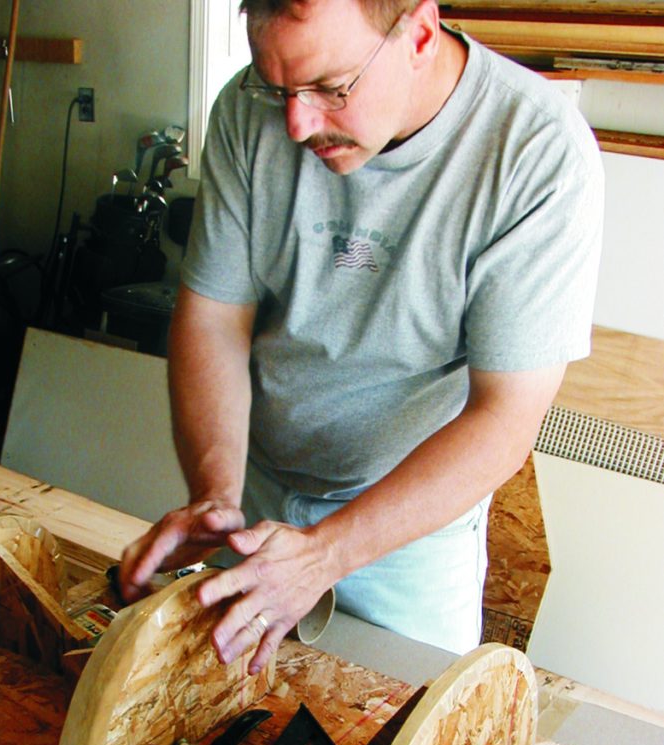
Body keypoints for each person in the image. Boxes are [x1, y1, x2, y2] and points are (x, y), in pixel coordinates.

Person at [120, 0, 603, 673]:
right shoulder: (245, 109)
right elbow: (212, 317)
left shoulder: (534, 151)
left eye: (329, 87)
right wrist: (214, 498)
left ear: (420, 33)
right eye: (279, 88)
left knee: (393, 733)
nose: (296, 123)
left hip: (406, 528)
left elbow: (505, 417)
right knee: (227, 717)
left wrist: (326, 552)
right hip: (256, 490)